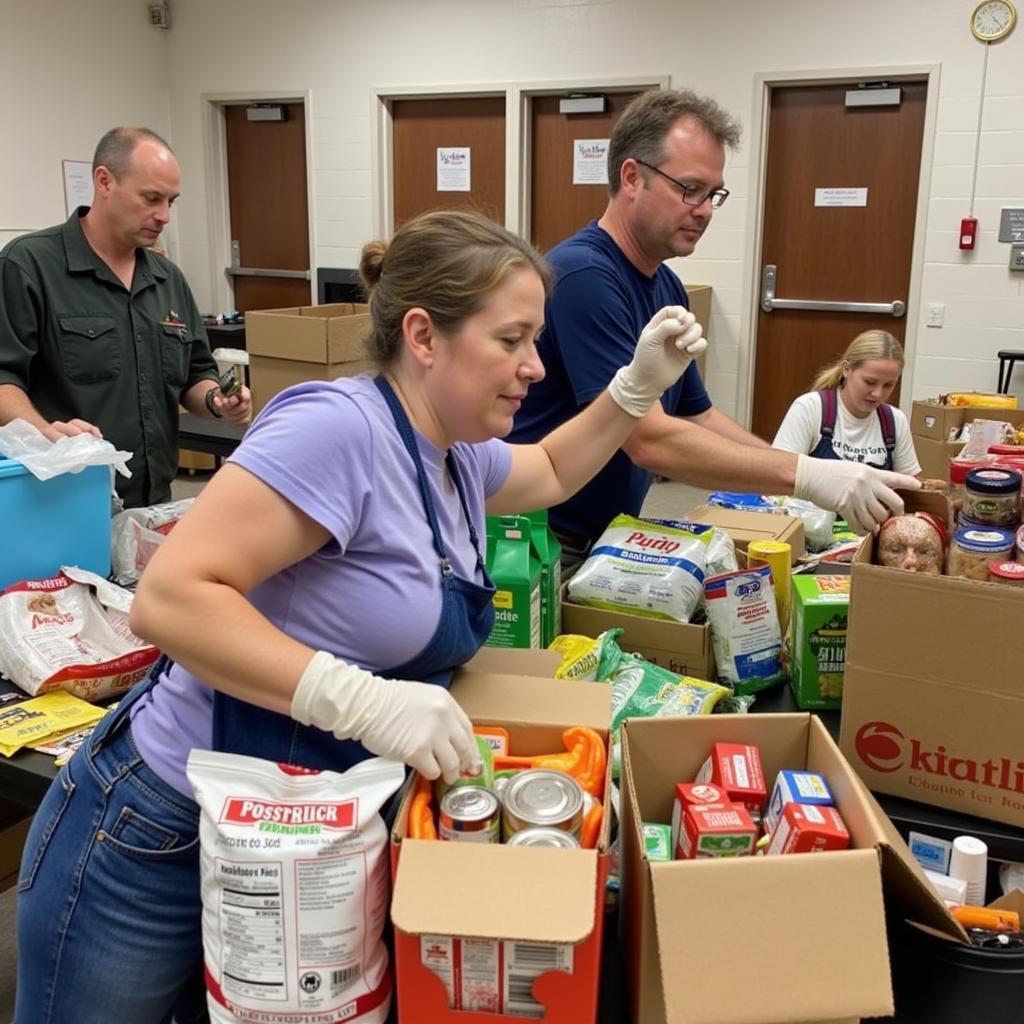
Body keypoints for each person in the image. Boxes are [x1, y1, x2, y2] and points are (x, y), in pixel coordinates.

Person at [14, 209, 706, 1023]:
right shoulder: (339, 429)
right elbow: (170, 597)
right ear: (424, 335)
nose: (535, 367)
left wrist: (634, 388)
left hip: (294, 835)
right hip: (160, 826)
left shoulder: (449, 448)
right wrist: (364, 700)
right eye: (512, 340)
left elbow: (553, 466)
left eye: (536, 341)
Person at [510, 88, 918, 556]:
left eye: (713, 194)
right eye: (689, 188)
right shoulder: (585, 276)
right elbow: (647, 439)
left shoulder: (667, 286)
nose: (704, 210)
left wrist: (804, 467)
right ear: (631, 177)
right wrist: (805, 476)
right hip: (546, 544)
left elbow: (693, 413)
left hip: (605, 531)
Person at [0, 126, 251, 508]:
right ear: (104, 181)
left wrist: (218, 401)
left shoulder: (168, 279)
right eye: (151, 198)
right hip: (62, 499)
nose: (164, 215)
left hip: (153, 501)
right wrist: (45, 433)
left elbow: (195, 375)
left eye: (171, 201)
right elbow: (4, 380)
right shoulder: (29, 266)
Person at [772, 330, 928, 479]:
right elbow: (779, 475)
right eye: (870, 382)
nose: (878, 394)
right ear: (846, 369)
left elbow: (909, 489)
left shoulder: (895, 421)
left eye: (888, 385)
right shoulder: (810, 408)